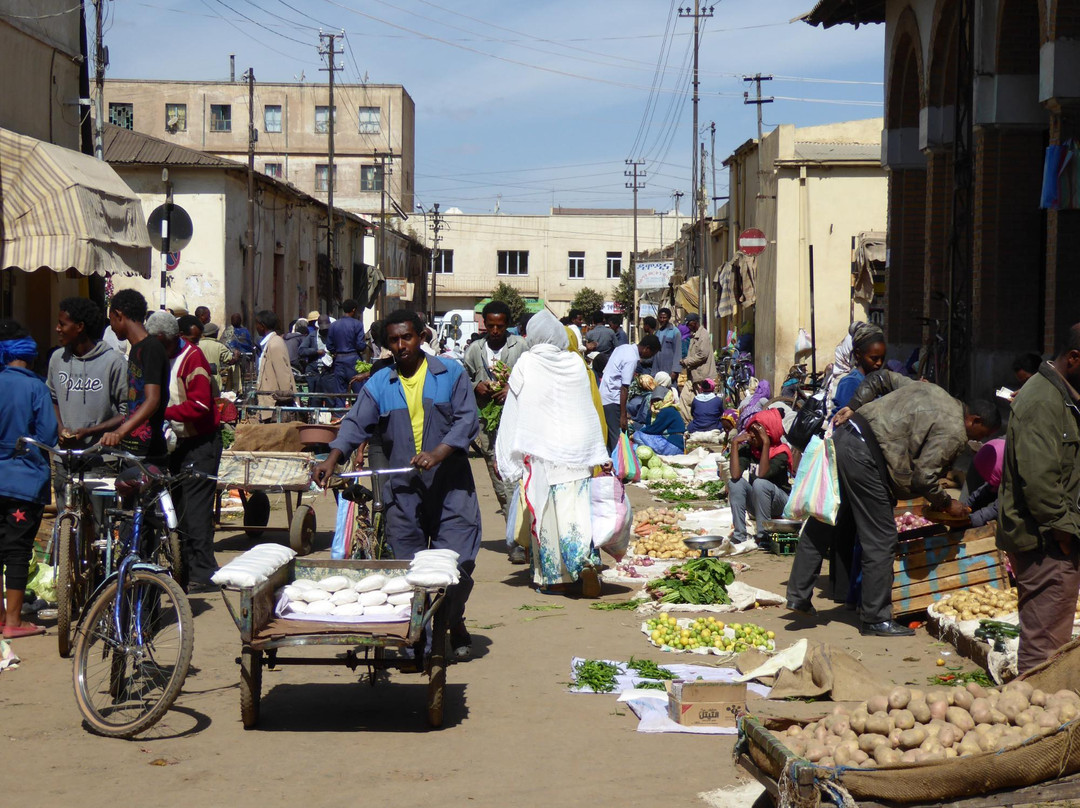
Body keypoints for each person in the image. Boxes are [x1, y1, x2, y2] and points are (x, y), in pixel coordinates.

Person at [312, 309, 482, 659]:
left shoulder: (450, 373)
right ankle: (420, 637)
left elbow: (467, 421)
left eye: (407, 337)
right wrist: (332, 458)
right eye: (394, 340)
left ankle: (452, 620)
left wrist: (438, 453)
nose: (402, 345)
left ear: (421, 337)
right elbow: (355, 423)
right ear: (387, 344)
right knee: (410, 570)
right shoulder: (380, 384)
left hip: (451, 487)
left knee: (460, 564)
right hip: (403, 491)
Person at [787, 385, 1001, 636]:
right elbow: (924, 478)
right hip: (864, 456)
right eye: (981, 434)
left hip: (844, 437)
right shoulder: (955, 430)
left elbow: (883, 378)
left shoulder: (933, 390)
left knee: (825, 519)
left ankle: (798, 595)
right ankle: (875, 618)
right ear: (974, 420)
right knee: (881, 538)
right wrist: (947, 503)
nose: (978, 441)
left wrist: (854, 405)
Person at [495, 310, 611, 596]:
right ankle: (585, 563)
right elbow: (586, 409)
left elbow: (513, 409)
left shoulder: (527, 362)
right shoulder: (575, 363)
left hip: (542, 452)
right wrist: (598, 452)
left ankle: (556, 579)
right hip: (578, 452)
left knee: (547, 515)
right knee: (577, 513)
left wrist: (506, 455)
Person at [998, 327, 1080, 673]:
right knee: (1045, 649)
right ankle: (1035, 700)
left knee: (1051, 639)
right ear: (1074, 359)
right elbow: (1039, 480)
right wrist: (1064, 532)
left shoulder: (1061, 396)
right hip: (1046, 542)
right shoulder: (1043, 401)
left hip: (1054, 538)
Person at [147, 312, 221, 593]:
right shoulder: (159, 357)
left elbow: (200, 405)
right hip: (177, 443)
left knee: (196, 509)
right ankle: (184, 569)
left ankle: (203, 572)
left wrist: (161, 412)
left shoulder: (192, 358)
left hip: (200, 443)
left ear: (169, 339)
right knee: (177, 508)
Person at [0, 322, 58, 638]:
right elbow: (48, 435)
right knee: (18, 551)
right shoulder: (37, 388)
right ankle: (14, 621)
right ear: (32, 357)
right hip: (25, 482)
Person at [462, 301, 527, 551]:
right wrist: (475, 386)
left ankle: (522, 536)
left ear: (507, 324)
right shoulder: (475, 349)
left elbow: (533, 376)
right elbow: (463, 378)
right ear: (485, 325)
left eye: (500, 326)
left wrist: (512, 387)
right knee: (498, 475)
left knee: (518, 474)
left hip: (517, 419)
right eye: (491, 326)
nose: (495, 331)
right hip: (487, 421)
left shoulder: (520, 347)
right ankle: (515, 536)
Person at [48, 297, 128, 450]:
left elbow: (126, 412)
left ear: (80, 326)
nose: (57, 328)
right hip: (64, 455)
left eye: (62, 324)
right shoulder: (57, 359)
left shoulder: (114, 362)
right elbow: (53, 400)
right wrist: (60, 429)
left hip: (101, 455)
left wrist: (90, 431)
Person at [102, 290, 168, 460]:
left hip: (148, 452)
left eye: (111, 320)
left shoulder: (151, 348)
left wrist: (120, 432)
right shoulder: (136, 349)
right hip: (131, 449)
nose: (111, 327)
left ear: (119, 315)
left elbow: (153, 400)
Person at [727, 409, 792, 547]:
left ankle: (764, 535)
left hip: (779, 503)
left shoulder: (781, 452)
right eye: (750, 431)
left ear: (768, 434)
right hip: (758, 503)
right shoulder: (749, 450)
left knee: (760, 483)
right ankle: (739, 535)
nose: (751, 435)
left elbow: (762, 474)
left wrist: (766, 444)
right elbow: (735, 474)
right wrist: (734, 444)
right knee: (734, 483)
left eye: (756, 432)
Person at [598, 335, 661, 451]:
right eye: (652, 354)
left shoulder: (623, 348)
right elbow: (624, 388)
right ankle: (618, 461)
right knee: (617, 439)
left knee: (609, 436)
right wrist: (623, 415)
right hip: (613, 398)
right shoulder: (632, 359)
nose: (650, 357)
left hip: (604, 394)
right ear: (647, 349)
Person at [832, 323, 887, 415]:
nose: (879, 363)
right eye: (874, 358)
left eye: (882, 358)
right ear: (858, 354)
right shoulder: (851, 382)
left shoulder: (877, 381)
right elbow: (843, 418)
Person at [254, 310, 296, 419]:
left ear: (263, 326)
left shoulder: (275, 344)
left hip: (275, 404)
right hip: (268, 401)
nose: (256, 327)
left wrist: (285, 402)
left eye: (257, 324)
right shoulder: (269, 343)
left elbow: (283, 375)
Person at [325, 299, 367, 405]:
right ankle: (359, 413)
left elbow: (329, 345)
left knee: (340, 394)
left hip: (338, 361)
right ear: (353, 310)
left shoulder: (333, 325)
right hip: (353, 361)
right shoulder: (357, 324)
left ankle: (340, 413)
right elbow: (360, 345)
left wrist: (336, 352)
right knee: (358, 393)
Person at [679, 314, 718, 421]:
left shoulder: (703, 335)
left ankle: (705, 422)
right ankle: (688, 423)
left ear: (694, 323)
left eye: (689, 324)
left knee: (703, 402)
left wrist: (687, 361)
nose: (688, 327)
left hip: (702, 375)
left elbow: (702, 355)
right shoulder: (694, 336)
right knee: (684, 399)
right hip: (693, 376)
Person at [633, 385, 686, 455]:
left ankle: (653, 455)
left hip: (673, 445)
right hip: (675, 446)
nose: (655, 403)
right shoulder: (662, 410)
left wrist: (637, 428)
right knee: (636, 445)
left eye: (658, 400)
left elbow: (652, 430)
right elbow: (649, 425)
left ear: (666, 399)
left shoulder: (667, 410)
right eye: (654, 400)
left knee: (637, 435)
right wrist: (651, 412)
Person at [964, 438, 1004, 529]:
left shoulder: (1020, 478)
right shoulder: (1004, 471)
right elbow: (987, 491)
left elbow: (999, 508)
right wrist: (964, 507)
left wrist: (969, 520)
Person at [195, 321, 233, 398]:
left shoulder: (196, 345)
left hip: (198, 381)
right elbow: (230, 360)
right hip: (214, 383)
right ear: (215, 333)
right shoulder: (219, 346)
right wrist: (236, 355)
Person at [299, 315, 329, 405]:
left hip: (328, 371)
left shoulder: (332, 335)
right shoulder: (312, 336)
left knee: (329, 397)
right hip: (314, 371)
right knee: (314, 398)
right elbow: (301, 350)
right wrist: (316, 351)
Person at [655, 308, 683, 386]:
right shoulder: (657, 333)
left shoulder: (675, 332)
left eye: (664, 318)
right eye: (660, 317)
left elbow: (678, 352)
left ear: (669, 318)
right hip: (658, 369)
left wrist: (675, 370)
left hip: (669, 369)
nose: (662, 320)